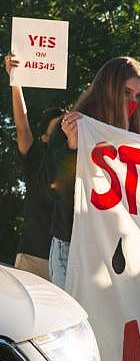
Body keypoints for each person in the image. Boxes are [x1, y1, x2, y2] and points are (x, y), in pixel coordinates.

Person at [47, 56, 140, 289]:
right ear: (108, 89)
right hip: (73, 250)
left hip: (117, 254)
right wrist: (72, 148)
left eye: (138, 96)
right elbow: (53, 189)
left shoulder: (136, 140)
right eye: (126, 93)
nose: (133, 102)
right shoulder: (71, 127)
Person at [4, 53, 65, 280]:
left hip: (68, 259)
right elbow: (22, 125)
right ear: (44, 138)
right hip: (34, 258)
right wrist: (15, 80)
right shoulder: (36, 160)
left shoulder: (80, 164)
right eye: (56, 128)